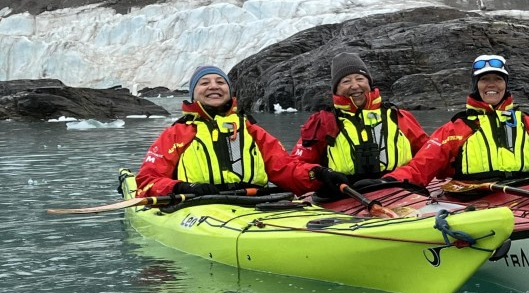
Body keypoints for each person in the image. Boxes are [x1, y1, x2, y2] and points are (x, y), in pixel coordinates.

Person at [387, 53, 529, 187]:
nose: (492, 85)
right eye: (484, 80)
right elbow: (420, 167)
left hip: (522, 193)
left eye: (497, 79)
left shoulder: (526, 123)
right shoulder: (456, 128)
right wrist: (388, 181)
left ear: (505, 84)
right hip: (475, 197)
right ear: (475, 85)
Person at [136, 64, 313, 197]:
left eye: (220, 82)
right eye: (204, 83)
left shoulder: (250, 130)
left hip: (253, 201)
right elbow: (148, 180)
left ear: (229, 91)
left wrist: (317, 174)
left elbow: (286, 169)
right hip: (198, 203)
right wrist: (181, 187)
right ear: (193, 94)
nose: (214, 86)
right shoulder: (176, 134)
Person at [290, 51, 429, 196]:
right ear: (336, 89)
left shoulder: (398, 117)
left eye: (360, 79)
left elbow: (429, 155)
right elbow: (295, 165)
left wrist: (404, 175)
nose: (355, 86)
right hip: (345, 195)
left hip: (398, 189)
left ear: (369, 83)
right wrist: (319, 174)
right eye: (346, 81)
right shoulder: (323, 123)